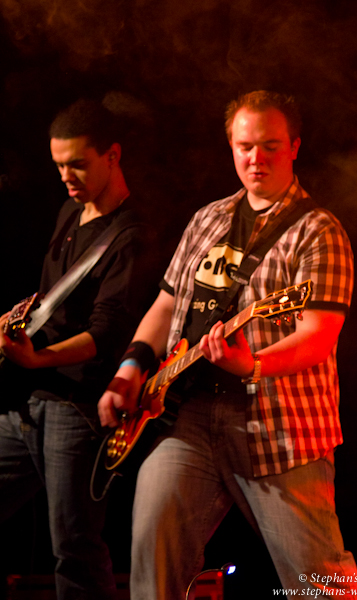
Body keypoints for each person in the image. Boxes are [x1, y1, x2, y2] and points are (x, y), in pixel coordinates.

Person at [98, 90, 357, 599]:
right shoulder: (207, 219)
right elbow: (165, 306)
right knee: (151, 565)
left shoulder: (318, 231)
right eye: (245, 146)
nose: (256, 158)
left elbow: (317, 336)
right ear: (231, 147)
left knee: (320, 583)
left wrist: (252, 365)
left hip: (281, 428)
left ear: (294, 147)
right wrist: (129, 369)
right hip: (187, 419)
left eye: (270, 146)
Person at [0, 99, 147, 600]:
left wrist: (38, 358)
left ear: (112, 156)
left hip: (77, 408)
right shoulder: (68, 211)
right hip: (31, 402)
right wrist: (23, 321)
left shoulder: (130, 235)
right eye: (59, 165)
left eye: (78, 164)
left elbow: (108, 333)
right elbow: (56, 300)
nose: (66, 176)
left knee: (75, 549)